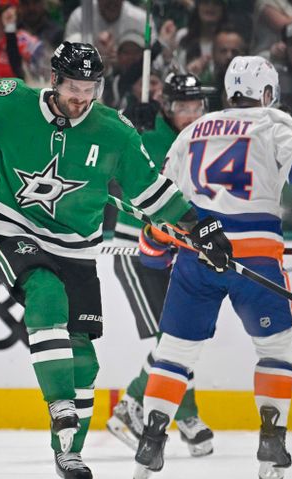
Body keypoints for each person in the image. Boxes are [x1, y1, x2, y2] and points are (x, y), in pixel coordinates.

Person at [0, 42, 233, 479]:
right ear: (54, 81)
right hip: (14, 230)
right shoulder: (12, 100)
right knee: (45, 294)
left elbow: (151, 191)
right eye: (73, 87)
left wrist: (200, 226)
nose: (81, 97)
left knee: (85, 357)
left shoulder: (115, 131)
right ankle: (60, 406)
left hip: (77, 249)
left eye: (90, 89)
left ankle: (69, 451)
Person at [131, 56, 292, 479]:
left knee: (174, 353)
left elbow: (159, 201)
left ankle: (149, 447)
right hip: (256, 255)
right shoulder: (272, 121)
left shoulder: (192, 130)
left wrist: (154, 241)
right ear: (266, 93)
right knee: (275, 349)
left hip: (197, 256)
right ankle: (271, 444)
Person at [107, 73, 219, 457]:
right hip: (137, 250)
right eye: (182, 107)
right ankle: (134, 409)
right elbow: (105, 142)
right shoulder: (145, 135)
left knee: (176, 336)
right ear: (167, 107)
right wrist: (125, 117)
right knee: (171, 338)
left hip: (176, 250)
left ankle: (182, 417)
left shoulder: (205, 140)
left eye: (196, 106)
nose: (190, 115)